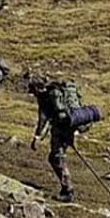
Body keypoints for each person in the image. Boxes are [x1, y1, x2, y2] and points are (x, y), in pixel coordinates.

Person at [27, 74, 77, 202]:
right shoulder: (55, 93)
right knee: (57, 157)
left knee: (56, 157)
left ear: (37, 88)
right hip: (69, 126)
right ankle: (66, 188)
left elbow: (42, 120)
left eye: (33, 91)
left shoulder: (44, 98)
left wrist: (37, 138)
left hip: (60, 129)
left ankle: (68, 190)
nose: (33, 94)